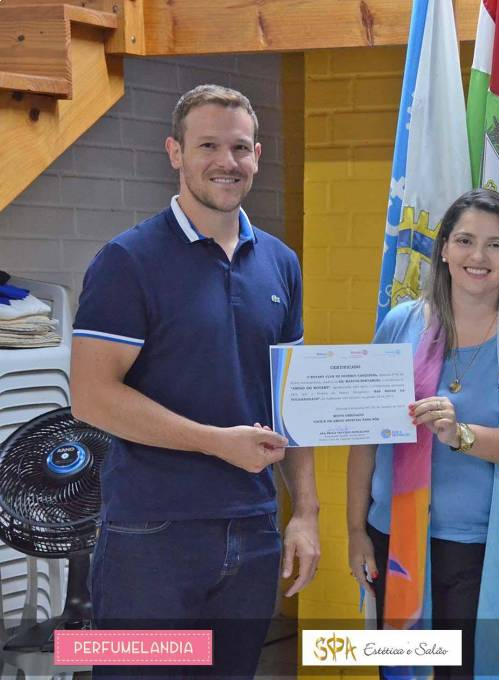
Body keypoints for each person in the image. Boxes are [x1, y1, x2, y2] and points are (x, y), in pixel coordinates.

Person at [70, 85, 320, 678]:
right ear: (175, 152)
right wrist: (215, 442)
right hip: (150, 535)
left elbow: (292, 398)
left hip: (253, 530)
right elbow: (91, 398)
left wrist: (305, 514)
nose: (226, 162)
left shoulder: (281, 263)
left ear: (257, 155)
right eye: (208, 145)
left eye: (240, 147)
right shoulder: (127, 260)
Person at [347, 189, 499, 679]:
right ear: (443, 248)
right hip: (398, 542)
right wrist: (355, 531)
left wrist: (461, 434)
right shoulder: (401, 324)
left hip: (492, 549)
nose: (477, 256)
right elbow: (366, 437)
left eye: (495, 244)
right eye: (465, 240)